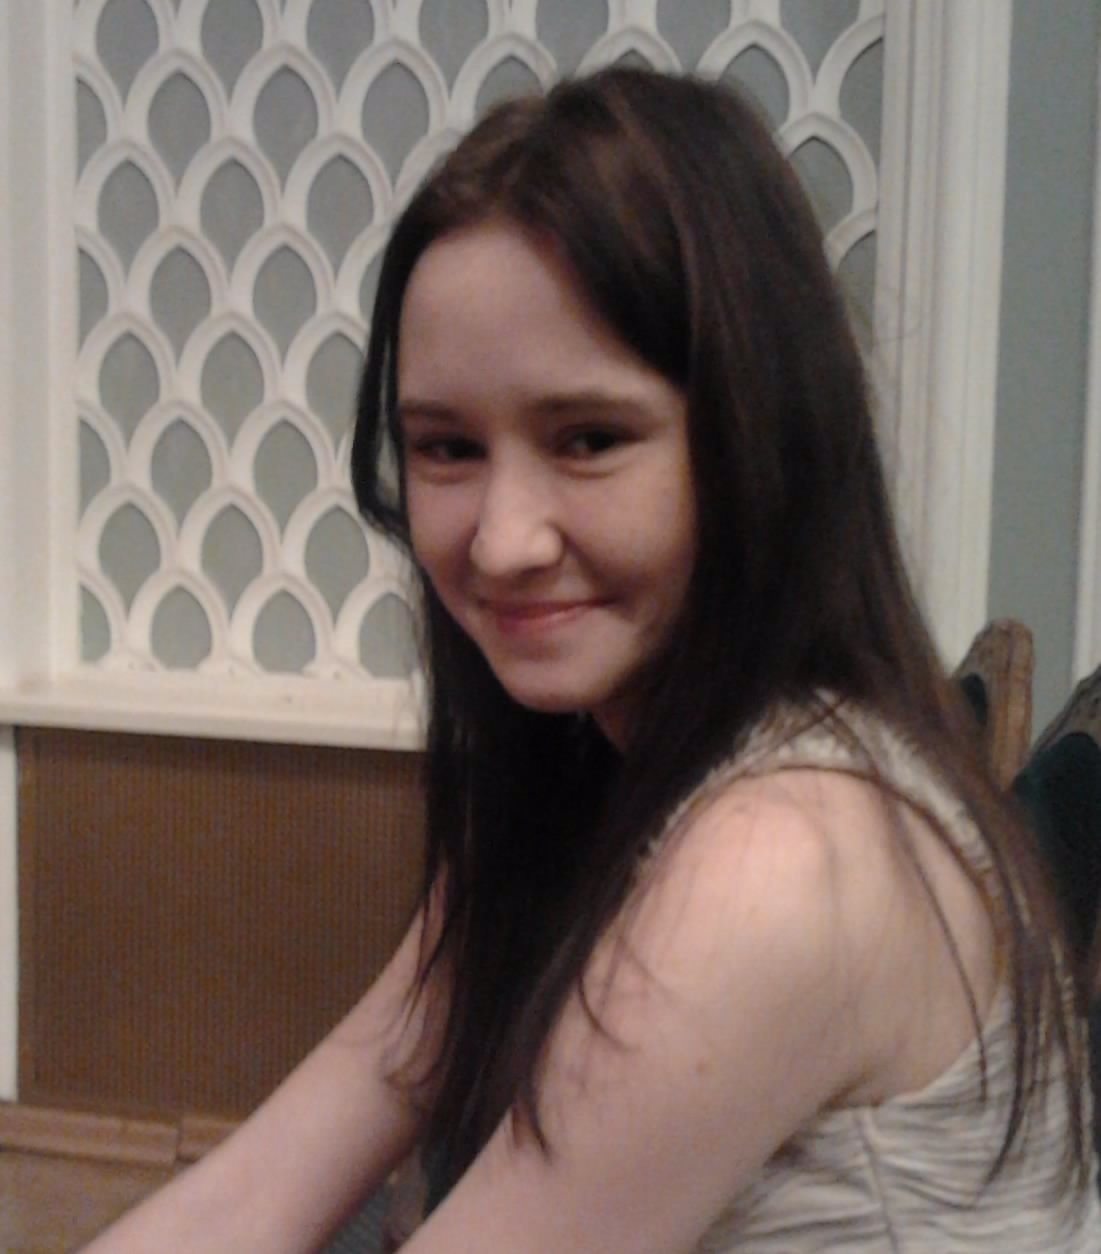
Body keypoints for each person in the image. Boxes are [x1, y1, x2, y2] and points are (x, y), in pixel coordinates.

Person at [87, 67, 1098, 1252]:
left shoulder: (783, 858)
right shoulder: (583, 769)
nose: (502, 542)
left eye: (589, 439)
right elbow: (274, 1170)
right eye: (448, 448)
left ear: (760, 437)